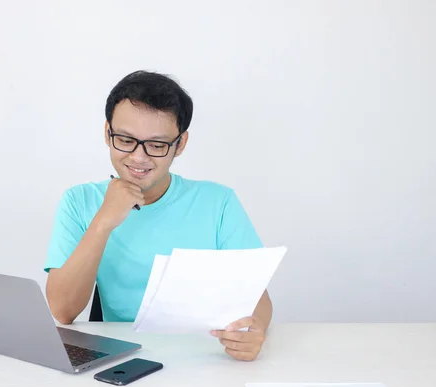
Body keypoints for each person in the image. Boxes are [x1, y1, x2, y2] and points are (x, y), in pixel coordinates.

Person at [43, 70, 271, 361]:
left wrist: (255, 329)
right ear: (107, 133)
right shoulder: (79, 201)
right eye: (125, 140)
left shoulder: (218, 202)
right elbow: (62, 311)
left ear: (180, 144)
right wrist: (103, 221)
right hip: (123, 359)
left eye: (157, 145)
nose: (138, 157)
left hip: (205, 355)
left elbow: (257, 296)